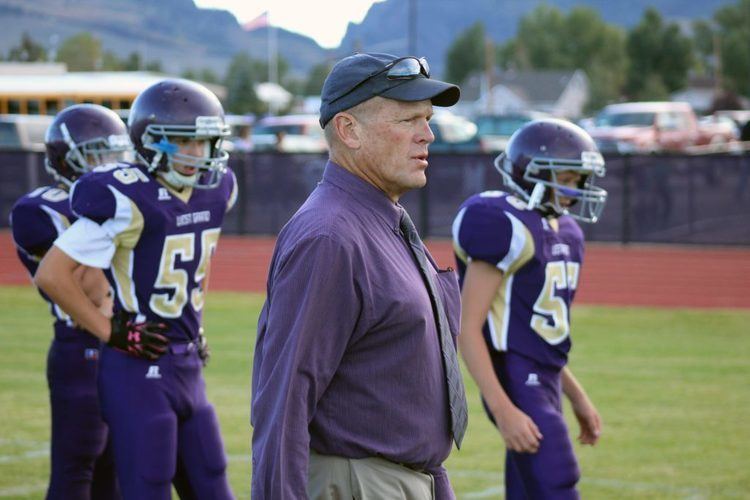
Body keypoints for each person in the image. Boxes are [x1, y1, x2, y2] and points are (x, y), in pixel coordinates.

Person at [251, 52, 467, 499]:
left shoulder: (378, 217)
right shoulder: (330, 237)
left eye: (427, 119)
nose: (427, 134)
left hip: (397, 479)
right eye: (409, 119)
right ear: (349, 130)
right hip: (357, 484)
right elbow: (285, 400)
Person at [34, 79, 238, 500]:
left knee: (214, 486)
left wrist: (191, 323)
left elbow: (191, 268)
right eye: (185, 141)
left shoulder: (217, 189)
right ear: (150, 141)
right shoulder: (126, 195)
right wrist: (109, 331)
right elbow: (52, 275)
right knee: (147, 487)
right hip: (136, 368)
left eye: (205, 143)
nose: (197, 154)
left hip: (186, 366)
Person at [451, 118, 607, 499]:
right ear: (532, 173)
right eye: (567, 178)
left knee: (526, 490)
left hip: (545, 378)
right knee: (558, 478)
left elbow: (539, 339)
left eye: (578, 179)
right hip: (515, 377)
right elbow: (467, 328)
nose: (574, 190)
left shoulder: (565, 231)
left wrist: (577, 396)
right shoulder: (505, 224)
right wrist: (502, 408)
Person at [10, 103, 131, 500]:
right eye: (99, 154)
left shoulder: (118, 202)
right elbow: (91, 287)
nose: (110, 165)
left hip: (121, 345)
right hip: (80, 346)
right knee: (78, 464)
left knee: (115, 469)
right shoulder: (38, 209)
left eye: (115, 153)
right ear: (67, 159)